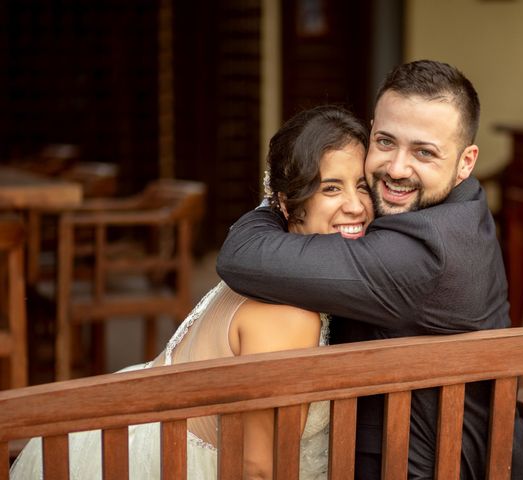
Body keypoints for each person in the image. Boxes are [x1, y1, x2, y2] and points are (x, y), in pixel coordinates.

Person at [10, 105, 374, 480]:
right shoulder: (287, 314)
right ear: (286, 202)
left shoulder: (272, 265)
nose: (356, 206)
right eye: (331, 188)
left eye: (362, 186)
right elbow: (260, 469)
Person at [216, 59, 523, 478]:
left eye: (424, 152)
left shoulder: (426, 255)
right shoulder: (462, 206)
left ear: (466, 161)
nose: (397, 168)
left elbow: (241, 254)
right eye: (385, 142)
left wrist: (280, 200)